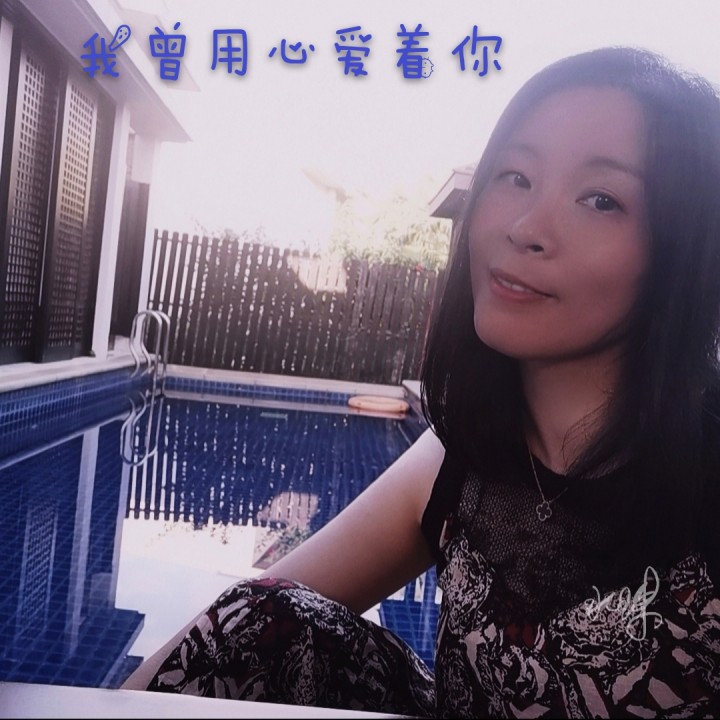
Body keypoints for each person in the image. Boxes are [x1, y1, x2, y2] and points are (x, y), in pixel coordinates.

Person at [122, 46, 720, 717]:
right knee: (262, 619)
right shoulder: (459, 457)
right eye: (516, 176)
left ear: (687, 248)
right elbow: (244, 626)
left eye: (600, 199)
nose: (524, 227)